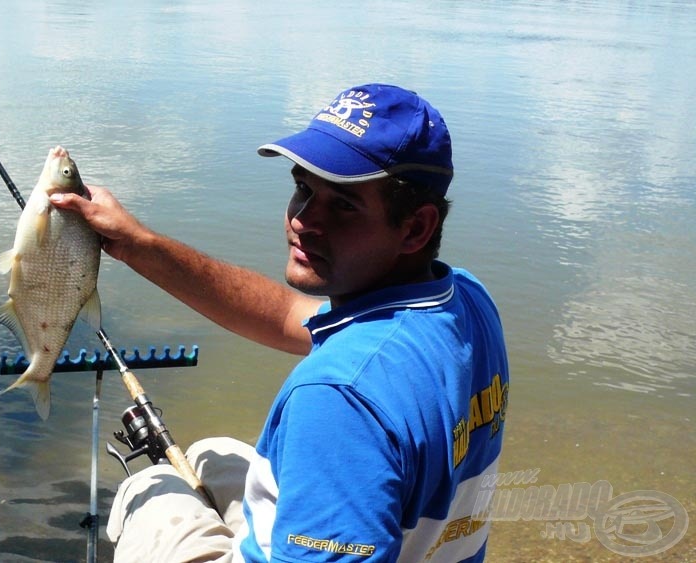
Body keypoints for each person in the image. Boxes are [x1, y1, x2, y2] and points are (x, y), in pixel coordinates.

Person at [51, 83, 509, 562]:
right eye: (303, 189)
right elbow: (288, 315)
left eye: (344, 205)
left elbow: (348, 402)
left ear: (415, 227)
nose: (303, 219)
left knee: (149, 487)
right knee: (211, 456)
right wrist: (137, 244)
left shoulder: (341, 398)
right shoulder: (466, 301)